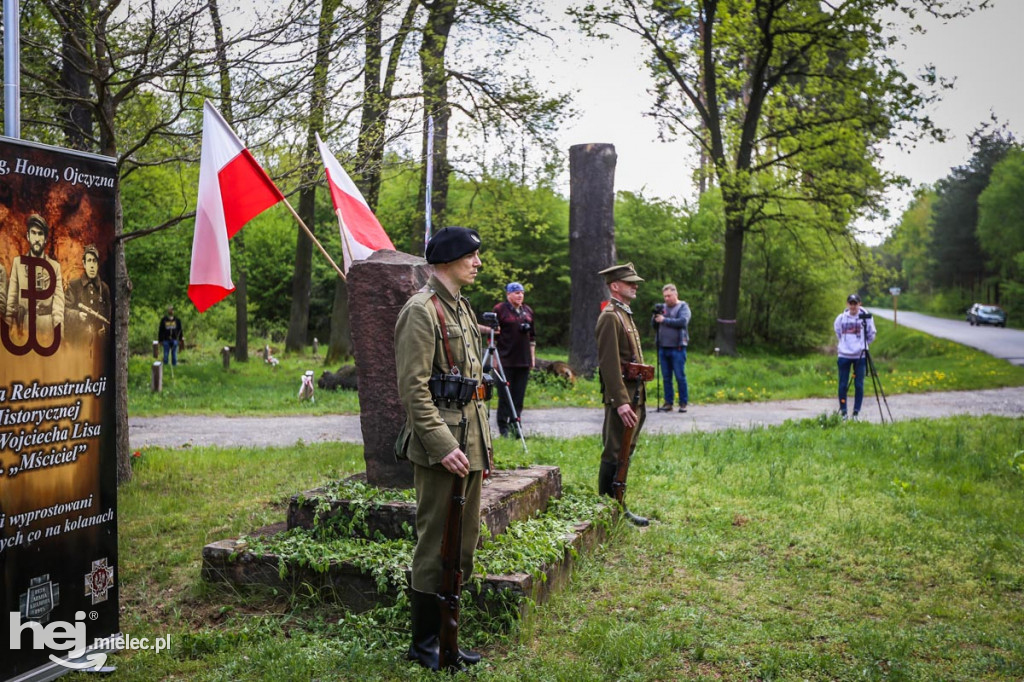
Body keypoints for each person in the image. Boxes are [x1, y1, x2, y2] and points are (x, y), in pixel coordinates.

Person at [394, 226, 490, 671]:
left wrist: (480, 450)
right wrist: (441, 444)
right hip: (441, 448)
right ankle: (424, 643)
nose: (477, 263)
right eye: (471, 256)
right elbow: (413, 390)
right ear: (447, 260)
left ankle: (448, 637)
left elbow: (469, 387)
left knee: (462, 544)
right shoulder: (421, 311)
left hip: (468, 441)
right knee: (435, 544)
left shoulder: (462, 308)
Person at [595, 262, 649, 523]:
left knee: (626, 451)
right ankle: (607, 510)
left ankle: (618, 505)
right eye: (630, 283)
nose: (635, 286)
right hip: (624, 398)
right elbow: (608, 364)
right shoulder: (610, 316)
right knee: (615, 450)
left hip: (634, 395)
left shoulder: (624, 314)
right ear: (615, 286)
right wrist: (620, 401)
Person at [5, 214, 64, 342]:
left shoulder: (54, 267)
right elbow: (10, 303)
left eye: (40, 234)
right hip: (24, 327)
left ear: (45, 239)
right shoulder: (18, 264)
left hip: (47, 327)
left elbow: (58, 308)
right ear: (28, 236)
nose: (37, 238)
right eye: (33, 233)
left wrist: (59, 337)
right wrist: (8, 331)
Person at [492, 281, 536, 437]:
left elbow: (532, 338)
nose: (520, 295)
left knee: (518, 397)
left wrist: (532, 359)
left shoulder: (528, 311)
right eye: (516, 293)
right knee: (505, 396)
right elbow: (493, 337)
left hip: (523, 361)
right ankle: (503, 428)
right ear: (508, 294)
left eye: (522, 293)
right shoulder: (500, 310)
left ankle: (516, 426)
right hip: (505, 360)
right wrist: (494, 361)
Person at [834, 293, 876, 420]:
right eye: (850, 303)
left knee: (859, 385)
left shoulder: (866, 317)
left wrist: (862, 345)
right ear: (847, 304)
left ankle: (856, 413)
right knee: (842, 384)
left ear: (859, 304)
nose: (853, 306)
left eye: (855, 303)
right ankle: (844, 412)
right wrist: (845, 345)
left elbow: (871, 333)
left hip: (860, 355)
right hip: (844, 355)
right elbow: (838, 332)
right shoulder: (841, 318)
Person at [652, 283, 691, 413]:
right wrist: (655, 317)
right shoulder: (662, 308)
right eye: (665, 296)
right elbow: (654, 325)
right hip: (663, 347)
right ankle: (668, 402)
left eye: (669, 296)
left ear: (675, 294)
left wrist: (664, 320)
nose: (666, 299)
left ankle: (683, 403)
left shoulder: (683, 307)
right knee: (666, 377)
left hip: (678, 347)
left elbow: (682, 322)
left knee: (680, 376)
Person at [65, 244, 111, 345]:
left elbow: (109, 318)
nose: (92, 265)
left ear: (98, 264)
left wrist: (104, 330)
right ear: (84, 264)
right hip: (78, 343)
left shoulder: (104, 289)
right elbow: (64, 311)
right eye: (89, 261)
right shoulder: (74, 285)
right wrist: (77, 315)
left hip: (98, 345)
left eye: (94, 261)